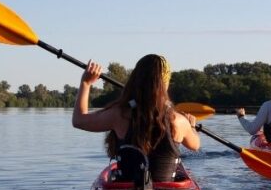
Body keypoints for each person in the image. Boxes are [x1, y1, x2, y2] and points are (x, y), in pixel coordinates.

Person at [72, 54, 200, 182]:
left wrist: (86, 83)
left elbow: (79, 120)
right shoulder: (178, 121)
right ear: (165, 83)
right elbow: (195, 145)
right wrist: (191, 126)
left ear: (135, 79)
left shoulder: (119, 114)